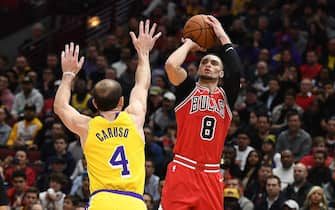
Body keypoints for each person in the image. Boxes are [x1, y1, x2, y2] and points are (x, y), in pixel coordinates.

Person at [53, 19, 161, 210]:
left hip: (102, 201)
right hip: (134, 202)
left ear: (94, 103)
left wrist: (68, 75)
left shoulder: (86, 126)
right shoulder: (134, 117)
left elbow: (60, 106)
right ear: (121, 101)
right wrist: (143, 53)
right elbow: (142, 85)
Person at [162, 15, 242, 209]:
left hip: (212, 173)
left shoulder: (226, 97)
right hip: (183, 167)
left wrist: (222, 34)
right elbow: (171, 65)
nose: (208, 65)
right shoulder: (188, 89)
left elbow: (237, 71)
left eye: (215, 64)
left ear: (221, 73)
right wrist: (188, 44)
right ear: (198, 69)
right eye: (204, 62)